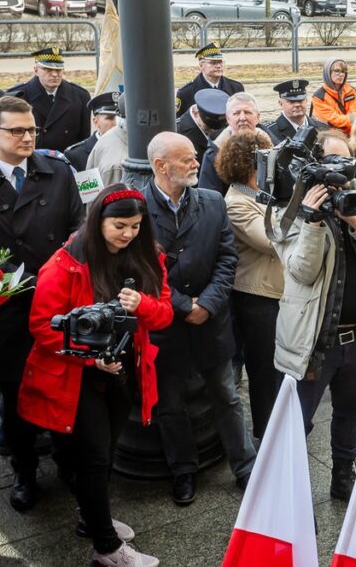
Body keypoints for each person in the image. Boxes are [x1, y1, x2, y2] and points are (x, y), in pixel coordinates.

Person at [21, 184, 170, 567]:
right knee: (96, 459)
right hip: (78, 378)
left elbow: (165, 314)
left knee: (101, 454)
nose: (128, 235)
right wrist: (93, 359)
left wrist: (144, 305)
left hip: (124, 373)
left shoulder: (149, 257)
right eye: (120, 226)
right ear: (97, 221)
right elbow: (43, 326)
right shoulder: (65, 263)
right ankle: (106, 547)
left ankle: (92, 518)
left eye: (136, 227)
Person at [272, 132, 356, 499]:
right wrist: (312, 222)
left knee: (350, 413)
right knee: (299, 420)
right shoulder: (293, 208)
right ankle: (291, 489)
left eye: (343, 163)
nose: (336, 174)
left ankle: (344, 474)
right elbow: (301, 271)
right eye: (327, 164)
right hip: (315, 341)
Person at [143, 132, 257, 505]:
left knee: (227, 396)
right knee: (170, 405)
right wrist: (182, 305)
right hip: (165, 328)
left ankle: (245, 467)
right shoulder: (137, 207)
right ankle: (183, 471)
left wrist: (206, 303)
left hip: (212, 323)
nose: (196, 164)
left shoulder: (212, 201)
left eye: (194, 157)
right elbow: (139, 271)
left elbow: (227, 259)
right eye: (187, 159)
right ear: (161, 166)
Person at [0, 95, 84, 512]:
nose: (27, 138)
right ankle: (24, 472)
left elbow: (78, 226)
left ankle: (68, 464)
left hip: (56, 303)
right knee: (17, 394)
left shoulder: (57, 172)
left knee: (64, 385)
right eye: (17, 131)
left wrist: (64, 265)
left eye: (31, 130)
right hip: (3, 311)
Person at [216, 132, 282, 442]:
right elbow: (272, 241)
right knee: (264, 373)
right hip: (256, 298)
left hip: (277, 293)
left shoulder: (263, 193)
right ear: (249, 166)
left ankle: (285, 427)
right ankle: (266, 434)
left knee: (282, 370)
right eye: (266, 160)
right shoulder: (236, 202)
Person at [6, 47, 91, 153]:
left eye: (58, 70)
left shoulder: (80, 96)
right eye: (48, 69)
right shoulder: (17, 96)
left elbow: (84, 141)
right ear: (36, 71)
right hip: (32, 160)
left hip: (67, 161)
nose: (55, 74)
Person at [198, 92, 272, 196]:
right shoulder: (214, 153)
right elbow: (209, 197)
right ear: (228, 118)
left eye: (247, 112)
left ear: (258, 117)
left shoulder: (273, 145)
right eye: (236, 113)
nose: (242, 118)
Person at [174, 43, 245, 118]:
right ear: (201, 66)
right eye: (213, 63)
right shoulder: (186, 92)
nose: (218, 66)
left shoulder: (236, 88)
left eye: (220, 62)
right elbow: (179, 123)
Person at [65, 93, 120, 172]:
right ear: (96, 122)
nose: (117, 123)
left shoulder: (134, 149)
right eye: (110, 118)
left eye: (121, 117)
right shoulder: (76, 155)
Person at [177, 89, 228, 167]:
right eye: (208, 127)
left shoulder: (224, 126)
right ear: (196, 113)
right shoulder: (178, 133)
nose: (213, 130)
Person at [266, 79, 327, 144]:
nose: (297, 105)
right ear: (280, 103)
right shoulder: (270, 133)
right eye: (291, 101)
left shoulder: (323, 128)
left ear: (306, 101)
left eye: (301, 100)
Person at [310, 58, 356, 134]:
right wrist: (353, 119)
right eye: (337, 71)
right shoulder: (319, 97)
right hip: (331, 136)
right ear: (328, 73)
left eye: (343, 71)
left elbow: (354, 112)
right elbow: (334, 120)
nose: (341, 74)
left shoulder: (351, 91)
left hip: (352, 134)